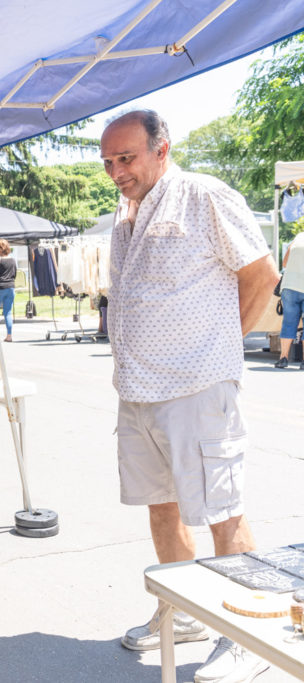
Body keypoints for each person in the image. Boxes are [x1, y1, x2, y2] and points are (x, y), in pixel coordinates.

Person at [101, 110, 278, 683]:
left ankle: (250, 633)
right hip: (139, 391)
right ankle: (181, 615)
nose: (116, 172)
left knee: (222, 512)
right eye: (108, 162)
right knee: (163, 505)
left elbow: (260, 275)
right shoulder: (124, 217)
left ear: (162, 150)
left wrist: (221, 351)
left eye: (125, 158)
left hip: (198, 389)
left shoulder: (203, 196)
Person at [275, 229, 304, 368]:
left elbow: (285, 263)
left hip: (290, 286)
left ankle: (283, 358)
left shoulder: (297, 238)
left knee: (288, 322)